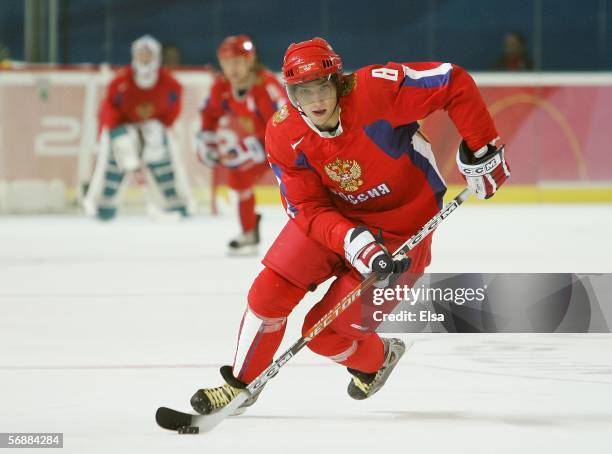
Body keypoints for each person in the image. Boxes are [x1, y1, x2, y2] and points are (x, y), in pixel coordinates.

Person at [190, 37, 510, 414]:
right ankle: (240, 387)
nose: (315, 102)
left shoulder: (378, 89)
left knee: (323, 335)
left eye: (322, 87)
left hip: (402, 230)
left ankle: (377, 361)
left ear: (338, 82)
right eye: (302, 93)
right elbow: (306, 207)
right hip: (335, 220)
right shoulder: (284, 133)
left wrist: (483, 148)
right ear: (290, 94)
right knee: (267, 294)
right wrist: (351, 240)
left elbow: (452, 82)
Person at [196, 35, 287, 255]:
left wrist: (255, 145)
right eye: (226, 63)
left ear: (250, 60)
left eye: (237, 61)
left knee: (298, 189)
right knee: (238, 174)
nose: (232, 68)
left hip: (287, 146)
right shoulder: (222, 87)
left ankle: (315, 232)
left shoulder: (267, 86)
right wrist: (206, 141)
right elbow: (209, 113)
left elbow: (287, 120)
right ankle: (248, 232)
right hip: (263, 146)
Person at [85, 35, 189, 220]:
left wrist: (160, 125)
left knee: (163, 155)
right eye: (141, 54)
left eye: (148, 54)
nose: (145, 58)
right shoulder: (120, 82)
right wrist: (115, 132)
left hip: (155, 128)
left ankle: (176, 202)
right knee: (115, 158)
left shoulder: (170, 84)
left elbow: (174, 107)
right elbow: (108, 108)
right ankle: (104, 204)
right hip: (124, 128)